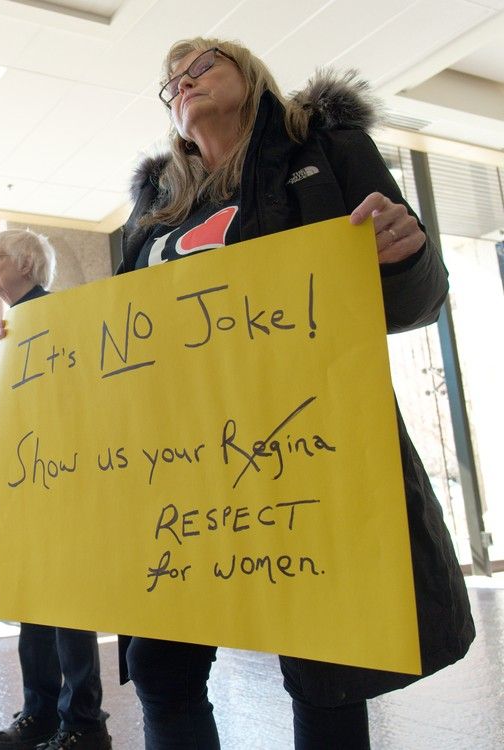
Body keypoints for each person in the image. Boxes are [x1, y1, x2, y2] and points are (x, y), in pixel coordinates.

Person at [116, 38, 475, 750]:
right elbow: (120, 346)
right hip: (183, 462)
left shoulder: (324, 145)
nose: (184, 82)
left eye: (202, 66)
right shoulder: (154, 206)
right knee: (159, 664)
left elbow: (413, 300)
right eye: (172, 82)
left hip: (303, 443)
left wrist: (406, 256)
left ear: (248, 74)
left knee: (324, 670)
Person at [0, 230, 112, 750]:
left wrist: (4, 403)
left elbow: (73, 392)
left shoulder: (57, 315)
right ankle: (39, 711)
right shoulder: (9, 328)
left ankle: (83, 721)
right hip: (14, 477)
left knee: (66, 599)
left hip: (55, 474)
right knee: (32, 595)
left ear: (28, 264)